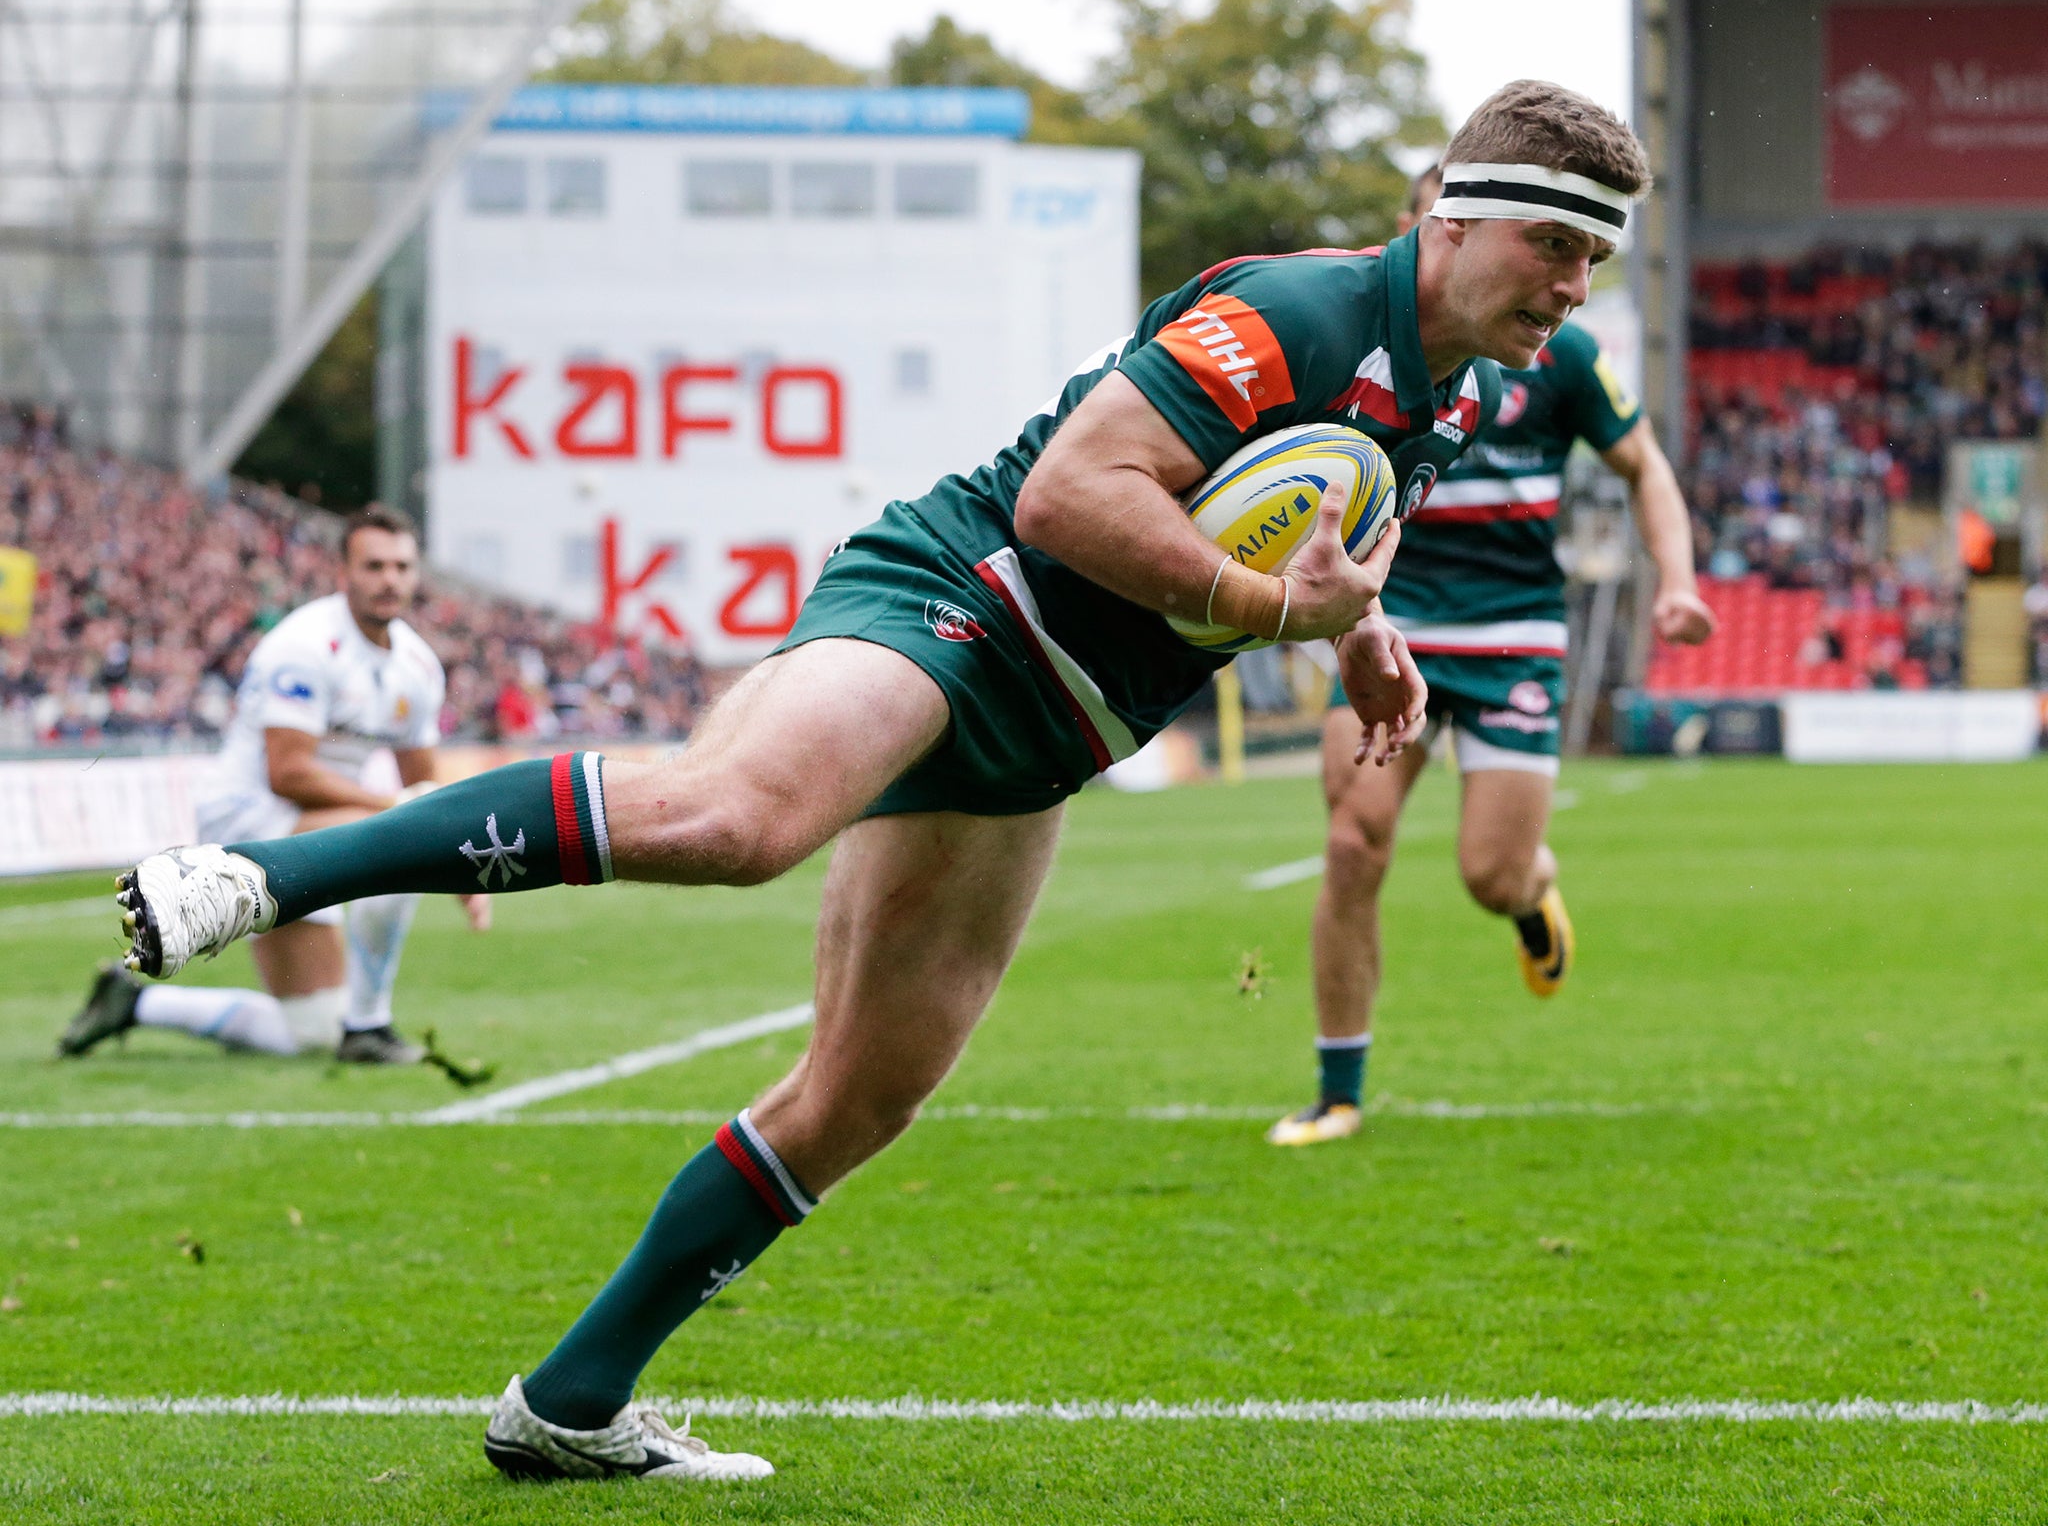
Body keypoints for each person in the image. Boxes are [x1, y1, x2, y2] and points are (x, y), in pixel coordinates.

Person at [116, 81, 1641, 1484]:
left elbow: (1286, 528)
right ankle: (255, 882)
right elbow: (1070, 496)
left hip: (1061, 729)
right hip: (965, 600)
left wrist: (1365, 632)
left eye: (1598, 260)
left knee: (863, 1094)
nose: (1575, 289)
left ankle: (569, 1406)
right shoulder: (1293, 309)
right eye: (1555, 242)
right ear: (1454, 214)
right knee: (736, 821)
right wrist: (1275, 616)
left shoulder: (1446, 395)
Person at [1266, 163, 1716, 1148]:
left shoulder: (1559, 357)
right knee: (1350, 844)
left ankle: (1532, 888)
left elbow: (1642, 467)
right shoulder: (1358, 345)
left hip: (1514, 635)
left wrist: (1676, 579)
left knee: (1489, 877)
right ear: (1422, 232)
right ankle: (1337, 1089)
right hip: (1387, 625)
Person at [62, 506, 489, 1064]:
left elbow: (422, 781)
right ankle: (370, 1027)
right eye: (374, 566)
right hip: (251, 814)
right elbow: (287, 774)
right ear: (343, 572)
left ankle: (135, 1005)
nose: (391, 580)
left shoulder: (418, 667)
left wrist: (460, 867)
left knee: (312, 1030)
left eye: (402, 567)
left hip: (320, 822)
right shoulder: (304, 644)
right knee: (400, 833)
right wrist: (394, 811)